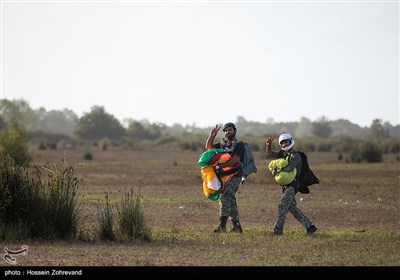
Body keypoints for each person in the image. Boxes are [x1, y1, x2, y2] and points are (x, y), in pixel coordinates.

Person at [266, 133, 317, 235]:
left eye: (286, 142)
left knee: (282, 205)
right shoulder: (283, 154)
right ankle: (310, 227)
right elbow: (271, 154)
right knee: (292, 208)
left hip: (294, 185)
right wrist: (268, 145)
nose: (285, 144)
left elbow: (289, 169)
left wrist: (276, 169)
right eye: (283, 143)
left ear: (291, 141)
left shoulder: (297, 156)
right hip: (285, 186)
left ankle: (277, 231)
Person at [205, 122, 245, 233]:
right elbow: (209, 148)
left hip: (236, 175)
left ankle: (222, 226)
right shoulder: (223, 144)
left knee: (225, 196)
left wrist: (219, 166)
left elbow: (235, 160)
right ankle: (237, 226)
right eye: (226, 130)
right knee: (230, 199)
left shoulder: (239, 145)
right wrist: (211, 136)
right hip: (223, 177)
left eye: (230, 130)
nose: (228, 132)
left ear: (235, 131)